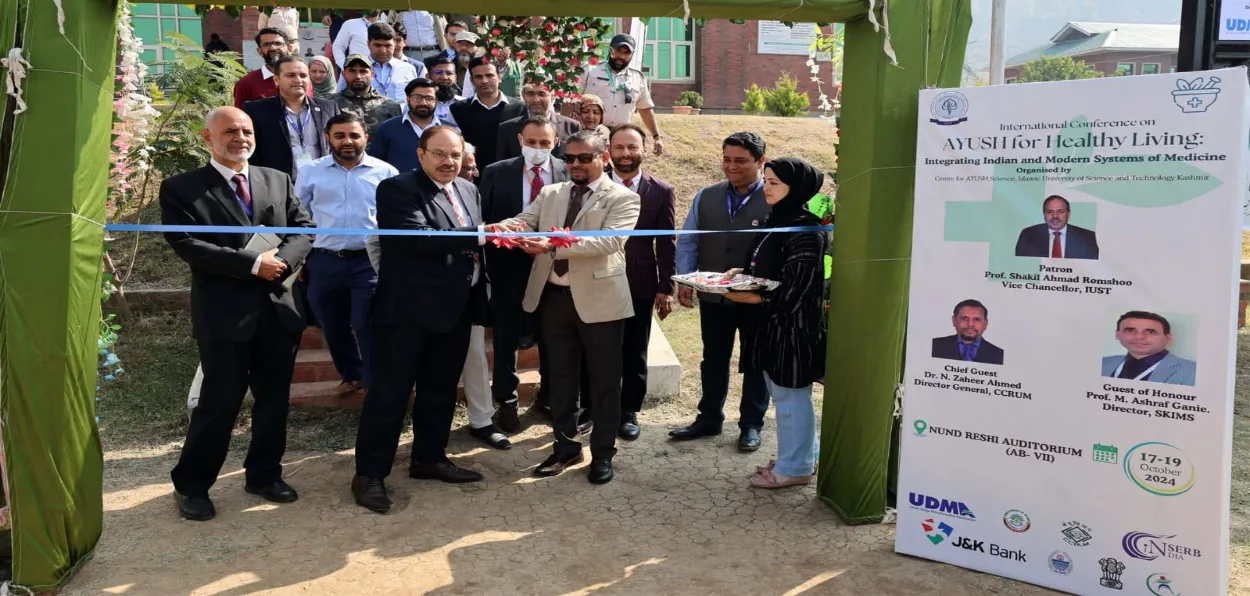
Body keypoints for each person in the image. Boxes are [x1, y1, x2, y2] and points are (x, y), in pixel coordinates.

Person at [159, 107, 314, 521]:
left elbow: (303, 227)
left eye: (246, 130)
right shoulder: (181, 188)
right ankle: (192, 485)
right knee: (219, 402)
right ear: (208, 138)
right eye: (230, 131)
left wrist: (280, 261)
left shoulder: (276, 179)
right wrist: (250, 264)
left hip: (277, 309)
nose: (240, 137)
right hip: (224, 315)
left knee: (273, 400)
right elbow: (187, 245)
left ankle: (264, 475)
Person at [352, 126, 498, 514]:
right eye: (440, 154)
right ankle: (369, 475)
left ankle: (429, 458)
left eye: (455, 155)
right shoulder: (397, 189)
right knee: (390, 394)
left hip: (454, 308)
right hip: (406, 313)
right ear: (420, 154)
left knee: (440, 389)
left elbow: (471, 245)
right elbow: (417, 238)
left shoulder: (469, 189)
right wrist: (485, 234)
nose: (449, 162)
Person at [496, 130, 641, 485]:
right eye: (570, 158)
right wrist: (501, 229)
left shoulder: (622, 197)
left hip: (601, 304)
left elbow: (609, 241)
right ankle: (565, 447)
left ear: (603, 158)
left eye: (584, 158)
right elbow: (525, 220)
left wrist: (551, 246)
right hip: (553, 300)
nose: (575, 164)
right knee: (559, 378)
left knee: (605, 382)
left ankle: (603, 453)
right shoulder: (551, 193)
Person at [721, 158, 827, 488]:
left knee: (791, 401)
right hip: (770, 327)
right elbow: (768, 266)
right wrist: (742, 275)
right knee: (784, 399)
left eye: (775, 182)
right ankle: (799, 458)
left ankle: (794, 469)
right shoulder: (777, 221)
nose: (766, 187)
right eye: (766, 180)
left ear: (797, 188)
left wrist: (753, 297)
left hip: (792, 330)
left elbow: (798, 288)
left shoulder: (806, 229)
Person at [671, 132, 772, 451]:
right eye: (726, 159)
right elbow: (688, 239)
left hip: (757, 298)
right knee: (713, 358)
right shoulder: (706, 196)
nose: (731, 167)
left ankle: (751, 425)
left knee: (756, 361)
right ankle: (709, 418)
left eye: (740, 161)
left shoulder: (774, 197)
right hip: (714, 297)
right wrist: (685, 279)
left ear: (760, 162)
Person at [481, 117, 570, 434]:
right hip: (507, 268)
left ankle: (547, 397)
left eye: (544, 143)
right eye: (531, 142)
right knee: (506, 338)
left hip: (551, 267)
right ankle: (505, 401)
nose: (537, 148)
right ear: (520, 139)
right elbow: (486, 221)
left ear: (555, 142)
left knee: (552, 335)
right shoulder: (496, 171)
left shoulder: (567, 171)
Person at [297, 112, 395, 400]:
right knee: (332, 323)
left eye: (354, 135)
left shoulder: (386, 172)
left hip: (368, 261)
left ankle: (375, 382)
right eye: (340, 135)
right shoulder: (310, 172)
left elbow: (394, 218)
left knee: (366, 323)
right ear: (328, 138)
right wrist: (300, 258)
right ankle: (351, 375)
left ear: (366, 137)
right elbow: (298, 216)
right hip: (324, 260)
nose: (347, 141)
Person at [604, 124, 676, 440]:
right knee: (598, 348)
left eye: (632, 147)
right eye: (619, 147)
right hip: (598, 281)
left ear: (644, 150)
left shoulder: (661, 190)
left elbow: (667, 241)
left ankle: (628, 410)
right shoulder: (594, 184)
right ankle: (594, 408)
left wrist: (665, 286)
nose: (626, 154)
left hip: (640, 282)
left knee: (635, 350)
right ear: (609, 150)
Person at [243, 55, 341, 180]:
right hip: (278, 185)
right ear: (276, 80)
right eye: (291, 75)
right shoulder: (256, 110)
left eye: (303, 75)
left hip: (322, 183)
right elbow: (251, 152)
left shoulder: (329, 108)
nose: (298, 80)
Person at [578, 34, 664, 156]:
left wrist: (657, 137)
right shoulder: (590, 70)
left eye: (626, 53)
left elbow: (645, 108)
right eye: (618, 51)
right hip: (592, 134)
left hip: (621, 136)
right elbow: (573, 101)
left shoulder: (637, 77)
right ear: (610, 49)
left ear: (632, 54)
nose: (621, 56)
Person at [450, 57, 526, 170]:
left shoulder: (518, 108)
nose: (484, 80)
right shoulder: (457, 109)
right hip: (473, 174)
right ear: (471, 81)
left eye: (489, 75)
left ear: (499, 77)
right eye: (478, 77)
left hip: (510, 173)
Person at [1101, 311, 1197, 386]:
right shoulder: (1102, 362)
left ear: (1168, 337)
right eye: (1130, 330)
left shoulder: (1194, 371)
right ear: (1117, 335)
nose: (1139, 337)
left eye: (1150, 332)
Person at [335, 22, 423, 103]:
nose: (383, 50)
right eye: (377, 45)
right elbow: (339, 99)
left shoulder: (408, 69)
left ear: (395, 44)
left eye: (388, 45)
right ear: (368, 44)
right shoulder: (352, 69)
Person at [371, 78, 443, 173]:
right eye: (417, 97)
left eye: (429, 98)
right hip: (397, 186)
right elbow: (375, 164)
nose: (423, 103)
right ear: (408, 98)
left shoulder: (449, 131)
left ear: (436, 101)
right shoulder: (388, 128)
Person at [496, 82, 581, 161]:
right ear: (523, 96)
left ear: (553, 95)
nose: (536, 100)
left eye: (542, 94)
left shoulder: (571, 127)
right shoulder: (507, 129)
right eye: (530, 94)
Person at [233, 28, 307, 109]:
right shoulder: (246, 84)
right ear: (259, 51)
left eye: (278, 43)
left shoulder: (303, 80)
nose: (273, 48)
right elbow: (239, 117)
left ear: (289, 48)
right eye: (266, 44)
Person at [332, 54, 402, 137]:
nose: (358, 76)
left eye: (363, 71)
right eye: (352, 71)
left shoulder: (390, 105)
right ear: (343, 74)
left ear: (372, 74)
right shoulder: (331, 103)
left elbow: (397, 137)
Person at [1015, 195, 1099, 259]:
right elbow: (1021, 266)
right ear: (1044, 214)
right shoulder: (1028, 235)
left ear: (1068, 214)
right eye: (1050, 212)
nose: (1055, 216)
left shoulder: (1087, 237)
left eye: (1061, 211)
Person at [931, 299, 1004, 365]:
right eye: (964, 318)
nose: (970, 324)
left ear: (985, 323)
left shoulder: (999, 355)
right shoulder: (934, 346)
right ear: (954, 321)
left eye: (977, 319)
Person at [425, 55, 464, 129]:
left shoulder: (465, 104)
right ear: (428, 76)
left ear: (455, 78)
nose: (444, 77)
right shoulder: (418, 104)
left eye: (449, 73)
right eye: (438, 72)